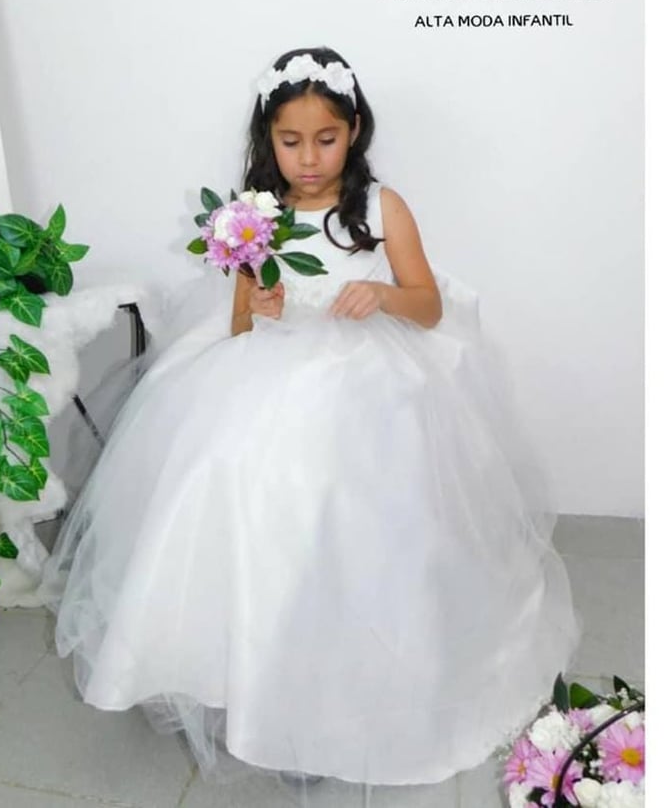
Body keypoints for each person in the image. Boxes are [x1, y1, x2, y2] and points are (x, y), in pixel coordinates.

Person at [41, 47, 579, 794]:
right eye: (290, 142)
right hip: (273, 366)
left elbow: (426, 303)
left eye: (325, 139)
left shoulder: (380, 206)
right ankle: (249, 674)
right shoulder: (254, 215)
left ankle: (338, 686)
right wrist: (257, 306)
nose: (309, 158)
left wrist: (383, 296)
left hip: (369, 368)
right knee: (225, 469)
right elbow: (240, 321)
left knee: (332, 484)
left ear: (354, 129)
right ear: (269, 139)